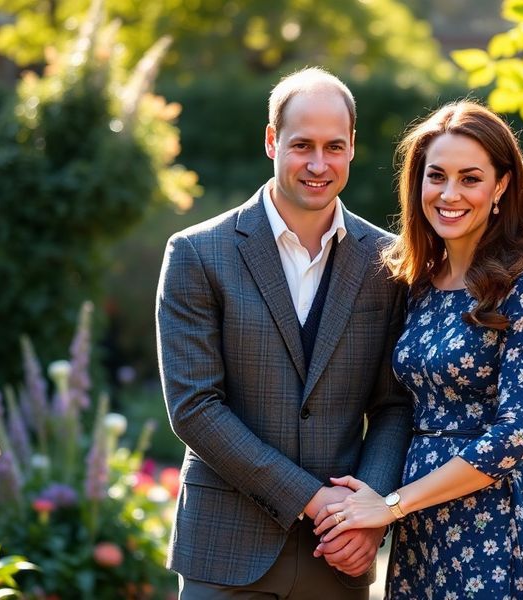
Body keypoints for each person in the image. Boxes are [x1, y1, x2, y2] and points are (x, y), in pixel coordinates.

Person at [156, 67, 412, 599]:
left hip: (339, 554)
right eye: (302, 145)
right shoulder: (198, 254)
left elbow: (394, 405)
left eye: (333, 147)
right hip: (225, 551)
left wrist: (371, 511)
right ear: (272, 141)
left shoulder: (388, 261)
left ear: (352, 148)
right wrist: (315, 501)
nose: (318, 164)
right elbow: (195, 408)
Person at [313, 100, 523, 599]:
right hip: (419, 532)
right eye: (436, 176)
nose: (450, 194)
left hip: (488, 522)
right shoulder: (416, 283)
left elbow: (517, 434)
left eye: (470, 178)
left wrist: (392, 504)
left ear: (501, 185)